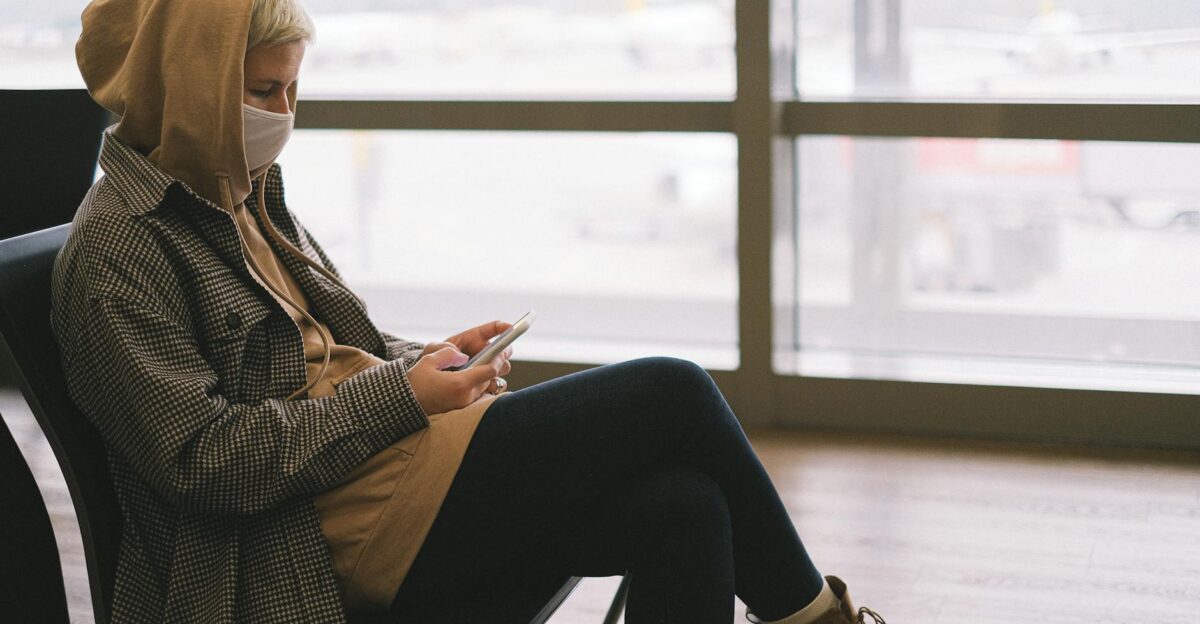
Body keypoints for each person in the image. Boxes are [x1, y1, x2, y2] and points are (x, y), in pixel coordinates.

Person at [52, 0, 884, 622]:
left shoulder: (238, 191)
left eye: (293, 88)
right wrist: (403, 396)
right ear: (190, 89)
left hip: (383, 473)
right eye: (263, 90)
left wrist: (422, 360)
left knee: (686, 507)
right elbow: (209, 465)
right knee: (673, 390)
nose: (284, 114)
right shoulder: (120, 252)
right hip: (307, 539)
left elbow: (324, 356)